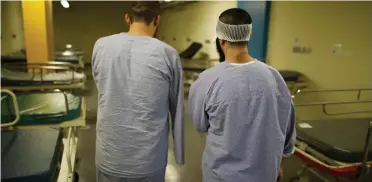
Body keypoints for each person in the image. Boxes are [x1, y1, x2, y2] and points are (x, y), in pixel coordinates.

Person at [188, 8, 296, 182]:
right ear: (249, 35)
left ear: (221, 39)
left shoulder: (206, 81)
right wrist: (278, 165)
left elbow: (201, 125)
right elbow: (287, 130)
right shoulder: (275, 78)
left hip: (221, 176)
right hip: (265, 174)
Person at [92, 1, 184, 181]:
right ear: (157, 19)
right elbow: (177, 107)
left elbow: (101, 87)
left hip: (109, 156)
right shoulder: (167, 54)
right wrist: (179, 154)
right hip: (148, 161)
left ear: (127, 18)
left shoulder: (101, 46)